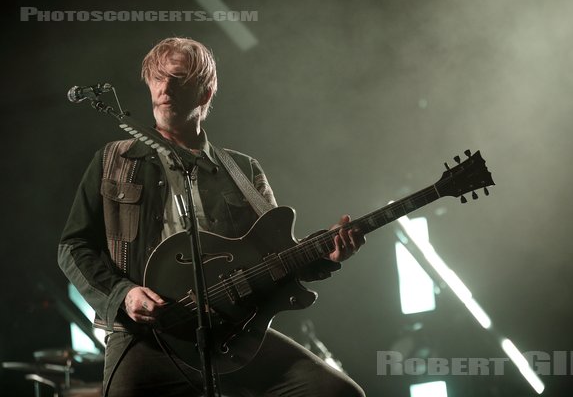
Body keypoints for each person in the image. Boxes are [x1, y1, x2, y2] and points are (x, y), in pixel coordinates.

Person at [58, 37, 366, 397]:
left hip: (231, 333)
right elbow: (73, 247)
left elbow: (274, 259)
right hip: (147, 338)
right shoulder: (114, 160)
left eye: (178, 78)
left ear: (204, 95)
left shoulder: (242, 171)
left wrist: (324, 256)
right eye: (158, 78)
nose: (164, 87)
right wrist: (124, 296)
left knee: (336, 392)